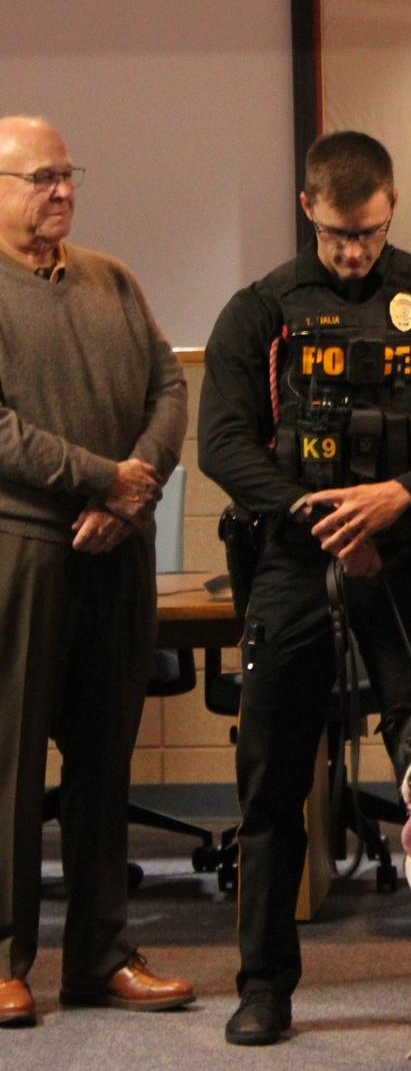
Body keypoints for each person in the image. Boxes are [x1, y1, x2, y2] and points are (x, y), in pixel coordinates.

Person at [198, 130, 411, 1046]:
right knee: (270, 783)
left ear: (393, 206)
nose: (354, 251)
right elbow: (223, 444)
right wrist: (317, 514)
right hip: (295, 561)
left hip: (406, 560)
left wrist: (397, 497)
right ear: (308, 209)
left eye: (367, 232)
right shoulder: (259, 312)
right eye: (337, 234)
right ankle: (264, 986)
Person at [0, 116, 192, 1029]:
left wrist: (131, 493)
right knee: (9, 761)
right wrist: (99, 478)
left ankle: (100, 954)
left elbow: (169, 387)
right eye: (41, 178)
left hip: (118, 549)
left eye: (68, 173)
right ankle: (4, 958)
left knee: (105, 760)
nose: (62, 191)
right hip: (22, 550)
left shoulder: (111, 279)